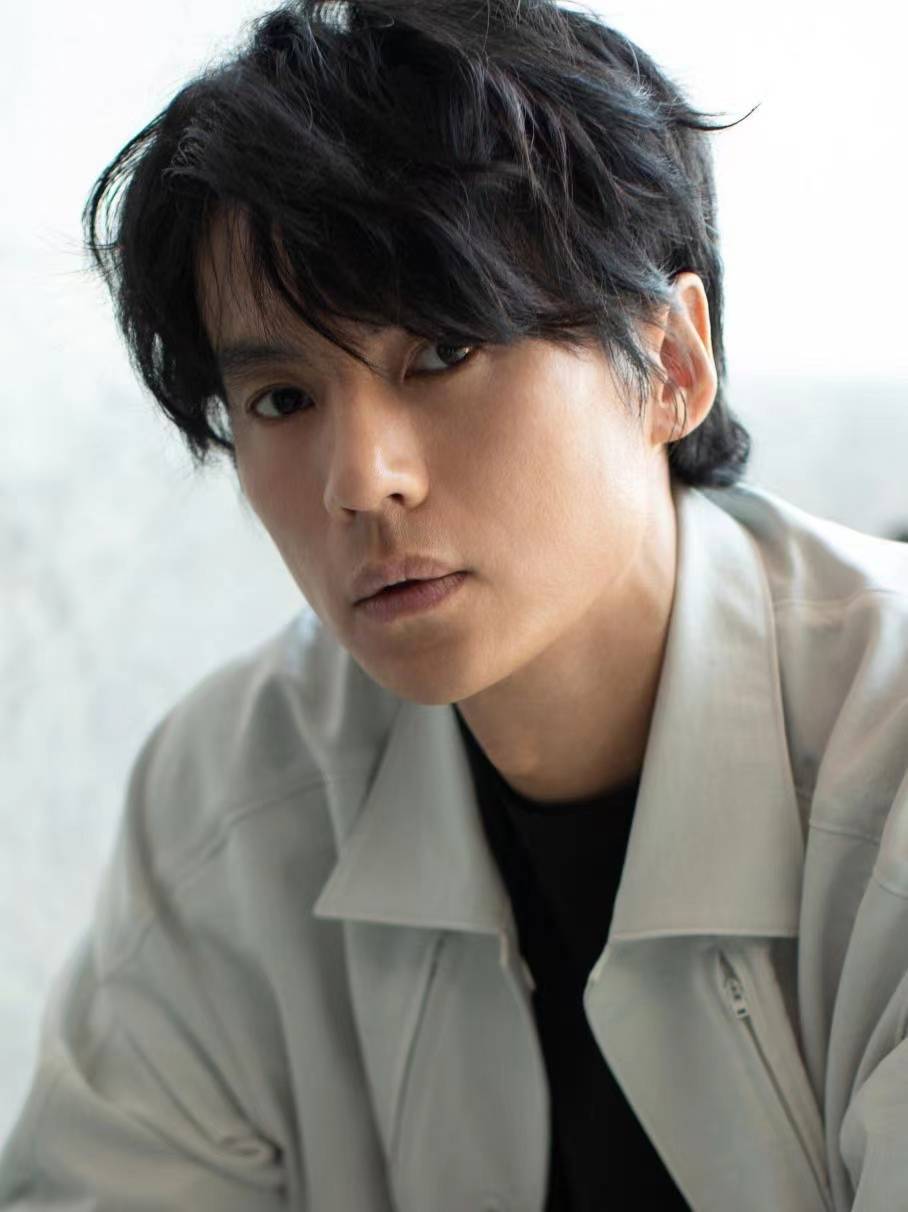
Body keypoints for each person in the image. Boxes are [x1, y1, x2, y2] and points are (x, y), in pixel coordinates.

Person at [2, 1, 907, 1208]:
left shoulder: (885, 747)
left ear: (670, 365)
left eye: (442, 353)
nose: (360, 479)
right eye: (281, 400)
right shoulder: (234, 792)